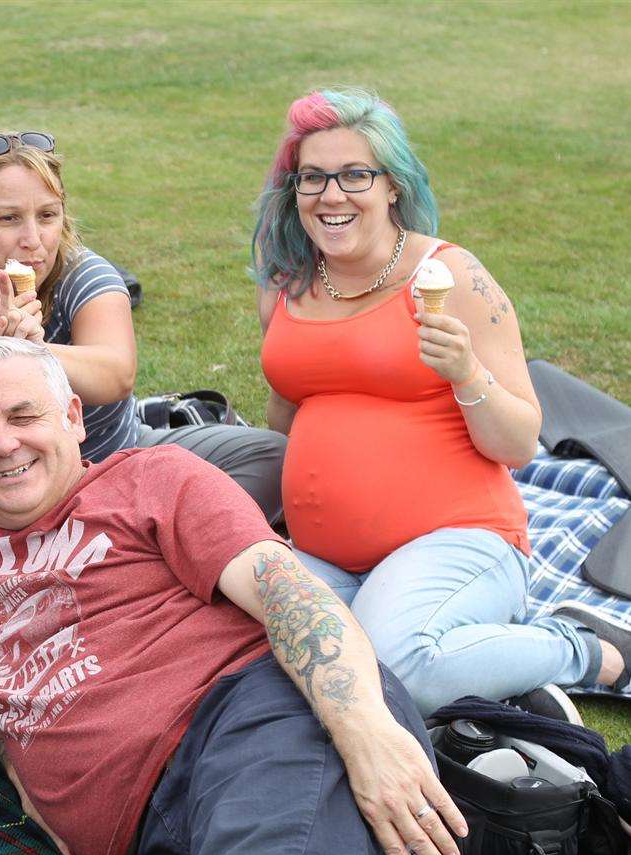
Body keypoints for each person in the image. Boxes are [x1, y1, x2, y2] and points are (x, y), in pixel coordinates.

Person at [0, 336, 466, 855]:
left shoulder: (151, 477)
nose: (4, 444)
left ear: (70, 417)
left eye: (22, 416)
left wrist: (365, 732)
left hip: (254, 722)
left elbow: (285, 591)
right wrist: (29, 783)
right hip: (140, 853)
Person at [253, 87, 628, 717]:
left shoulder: (453, 279)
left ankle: (583, 647)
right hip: (326, 554)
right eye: (312, 178)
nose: (331, 195)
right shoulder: (288, 286)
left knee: (394, 667)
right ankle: (482, 665)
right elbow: (287, 417)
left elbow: (515, 443)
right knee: (248, 662)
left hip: (459, 538)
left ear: (392, 186)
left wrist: (465, 371)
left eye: (354, 174)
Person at [0, 131, 287, 520]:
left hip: (111, 465)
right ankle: (123, 533)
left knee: (273, 458)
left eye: (47, 215)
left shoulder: (83, 274)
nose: (33, 239)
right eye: (8, 218)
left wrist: (31, 350)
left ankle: (106, 528)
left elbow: (116, 375)